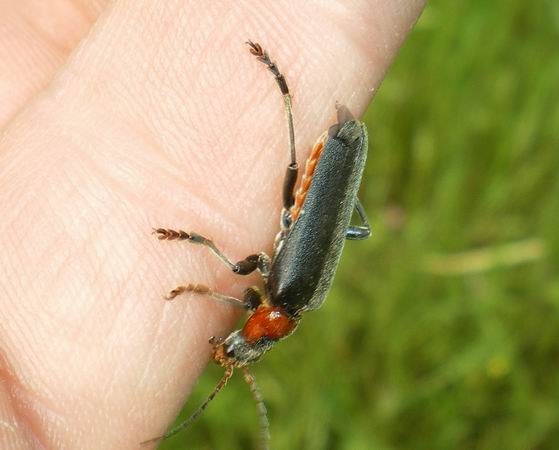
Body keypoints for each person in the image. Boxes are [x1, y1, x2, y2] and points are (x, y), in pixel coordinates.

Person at [0, 1, 425, 448]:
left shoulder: (292, 296)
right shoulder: (293, 291)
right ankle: (283, 90)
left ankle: (291, 102)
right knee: (295, 168)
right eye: (249, 337)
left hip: (333, 173)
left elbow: (248, 294)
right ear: (263, 327)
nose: (240, 332)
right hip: (330, 171)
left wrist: (336, 204)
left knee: (316, 199)